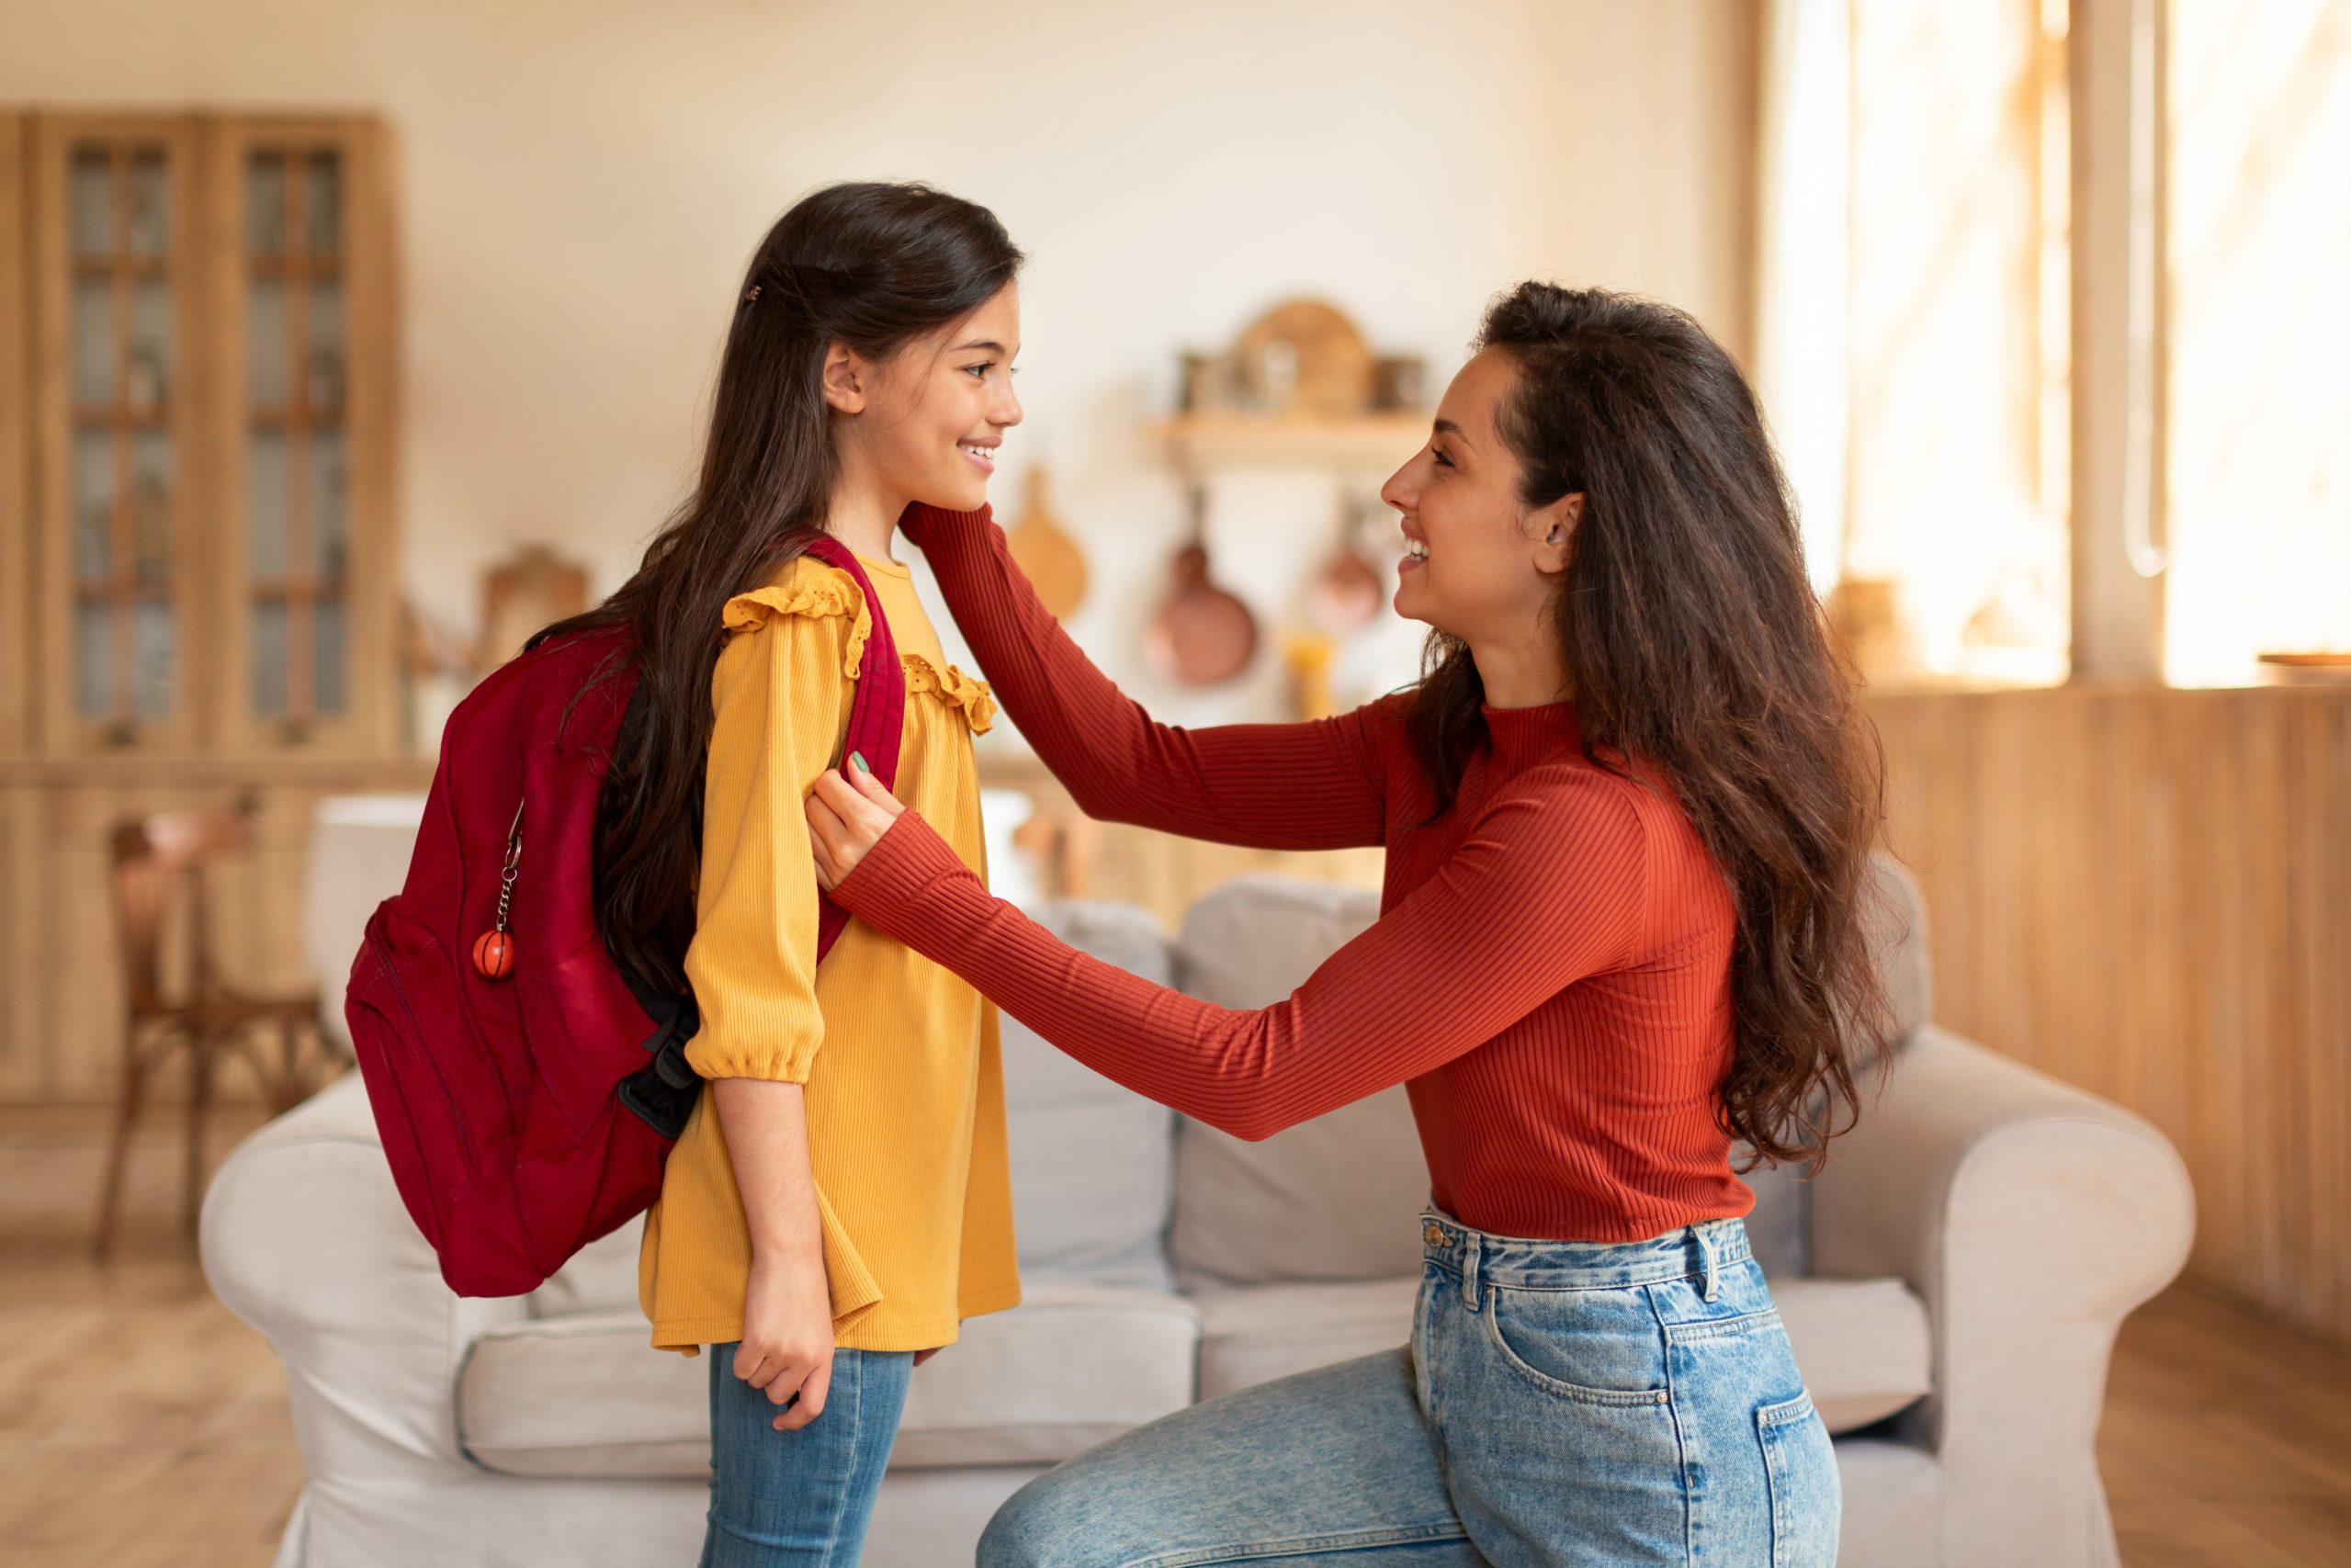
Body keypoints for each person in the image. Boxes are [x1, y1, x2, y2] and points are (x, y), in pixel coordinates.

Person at [804, 282, 1891, 1567]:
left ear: (1559, 531)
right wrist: (950, 505)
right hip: (1475, 1360)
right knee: (1059, 1548)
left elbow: (1254, 1075)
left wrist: (930, 901)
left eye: (1444, 457)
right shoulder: (1447, 746)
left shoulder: (1596, 827)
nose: (1398, 488)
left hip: (1649, 1438)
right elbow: (1133, 768)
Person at [534, 180, 1027, 1566]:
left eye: (1008, 367)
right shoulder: (806, 619)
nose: (1008, 406)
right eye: (978, 365)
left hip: (873, 1211)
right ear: (846, 371)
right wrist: (797, 1264)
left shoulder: (884, 594)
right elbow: (747, 965)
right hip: (828, 1221)